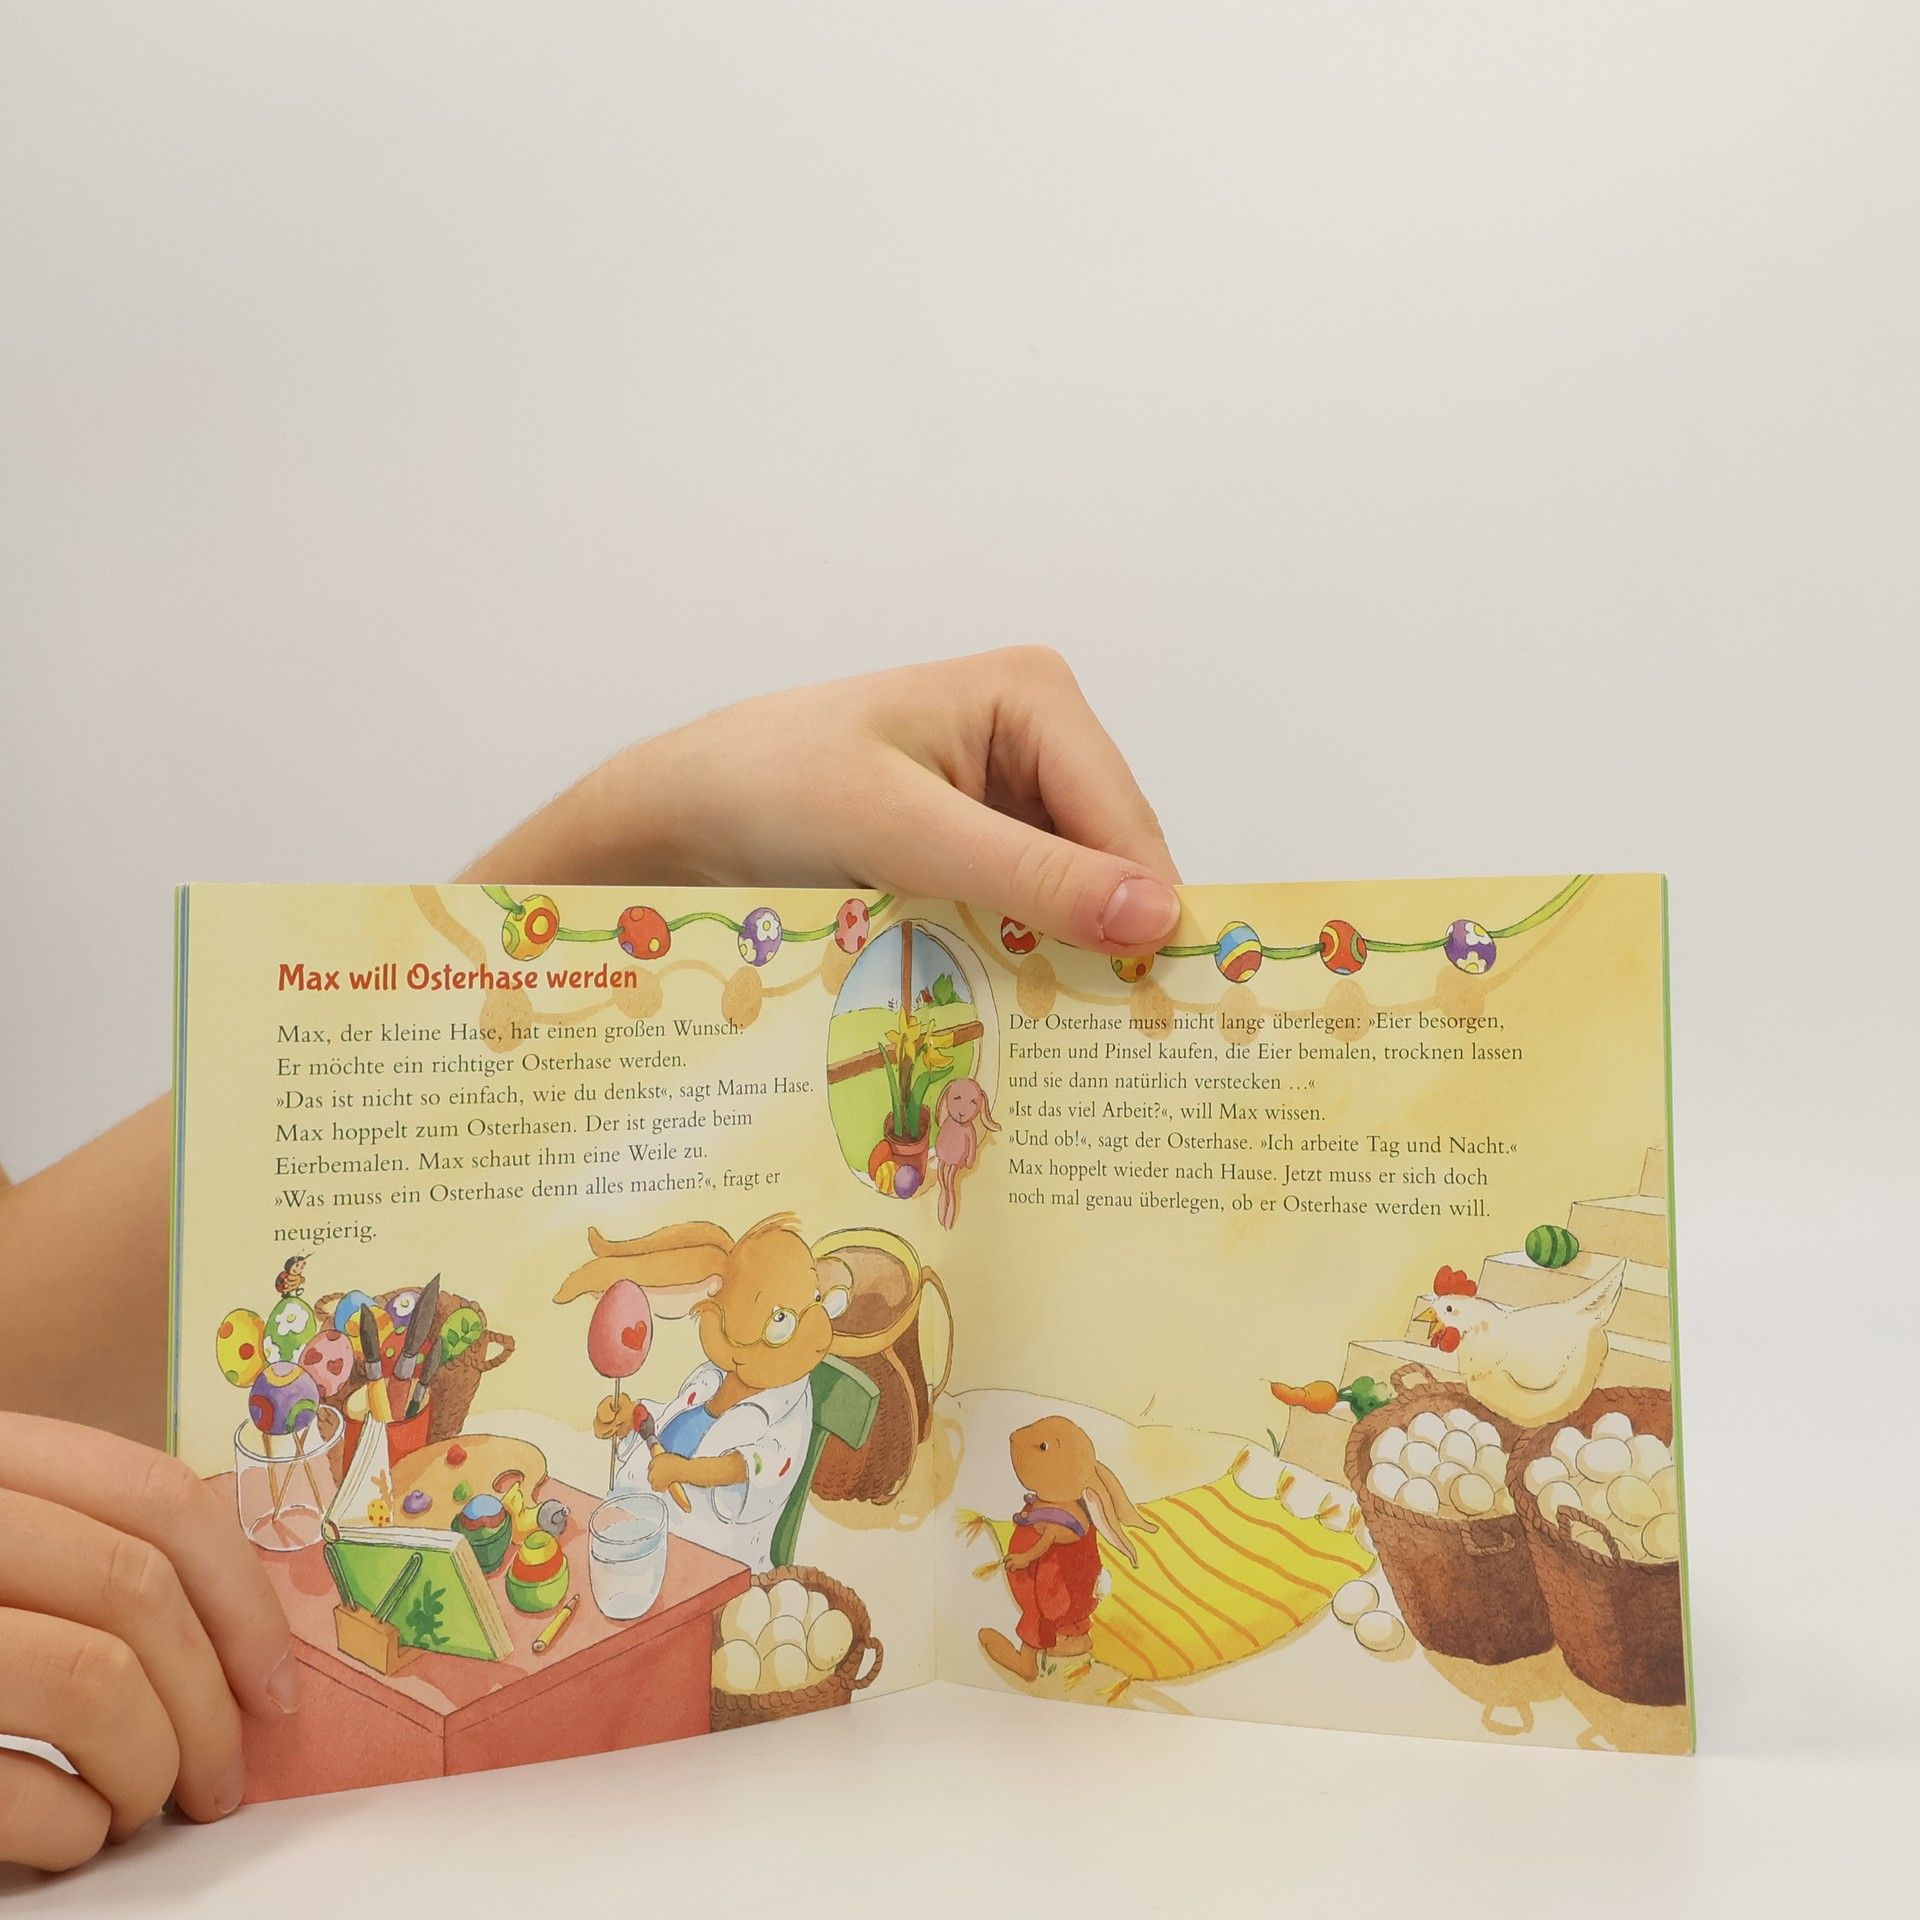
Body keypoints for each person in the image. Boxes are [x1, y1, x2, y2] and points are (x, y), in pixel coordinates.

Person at [0, 649, 1180, 1871]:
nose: (737, 1334)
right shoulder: (719, 1372)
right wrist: (645, 1434)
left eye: (771, 1323)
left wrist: (659, 831)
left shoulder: (784, 1400)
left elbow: (15, 1317)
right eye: (735, 1316)